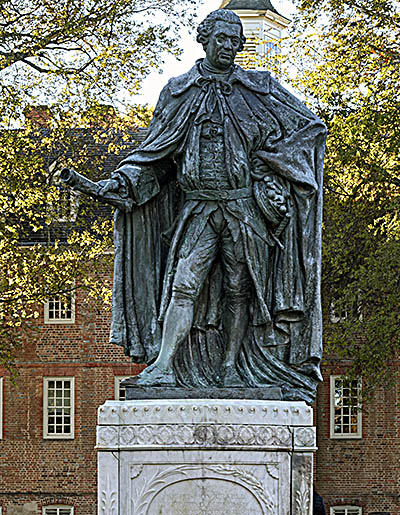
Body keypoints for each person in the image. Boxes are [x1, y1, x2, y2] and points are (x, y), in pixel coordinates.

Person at [84, 8, 326, 401]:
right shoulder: (180, 91)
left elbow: (310, 129)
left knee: (238, 290)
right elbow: (154, 156)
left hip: (244, 209)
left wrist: (271, 165)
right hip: (197, 209)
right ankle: (163, 366)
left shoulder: (259, 89)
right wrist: (118, 183)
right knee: (183, 284)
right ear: (205, 40)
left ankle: (231, 367)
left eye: (236, 41)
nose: (230, 47)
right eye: (222, 40)